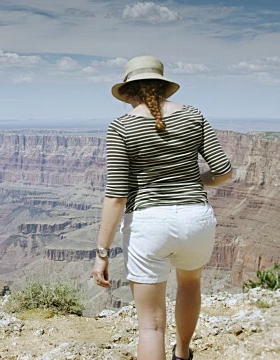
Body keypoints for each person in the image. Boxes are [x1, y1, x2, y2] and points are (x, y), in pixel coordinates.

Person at [92, 55, 233, 360]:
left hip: (150, 224)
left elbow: (116, 196)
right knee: (190, 283)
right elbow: (223, 171)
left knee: (151, 327)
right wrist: (191, 179)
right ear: (164, 88)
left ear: (129, 92)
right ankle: (182, 353)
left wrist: (101, 253)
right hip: (196, 219)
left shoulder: (122, 127)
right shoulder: (193, 116)